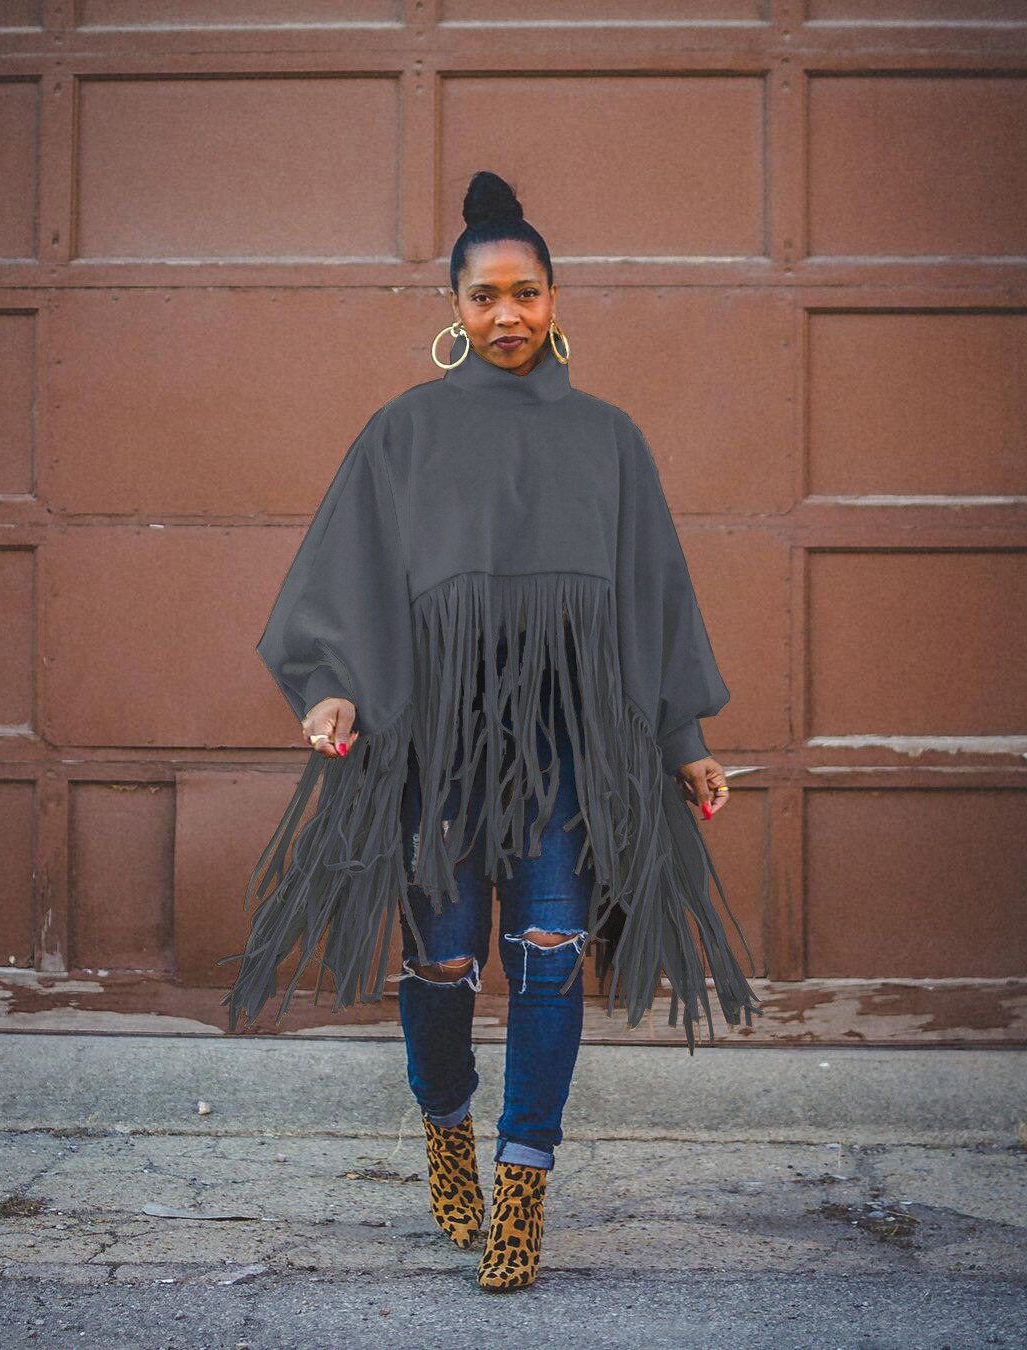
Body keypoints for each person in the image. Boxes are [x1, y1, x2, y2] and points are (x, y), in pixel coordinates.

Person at [219, 170, 762, 1292]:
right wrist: (330, 690)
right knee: (445, 962)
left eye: (526, 294)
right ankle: (446, 1126)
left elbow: (653, 593)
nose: (506, 315)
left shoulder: (610, 439)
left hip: (570, 751)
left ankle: (524, 1184)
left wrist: (683, 738)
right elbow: (348, 573)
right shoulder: (404, 432)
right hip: (438, 750)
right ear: (453, 308)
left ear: (556, 300)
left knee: (551, 956)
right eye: (484, 297)